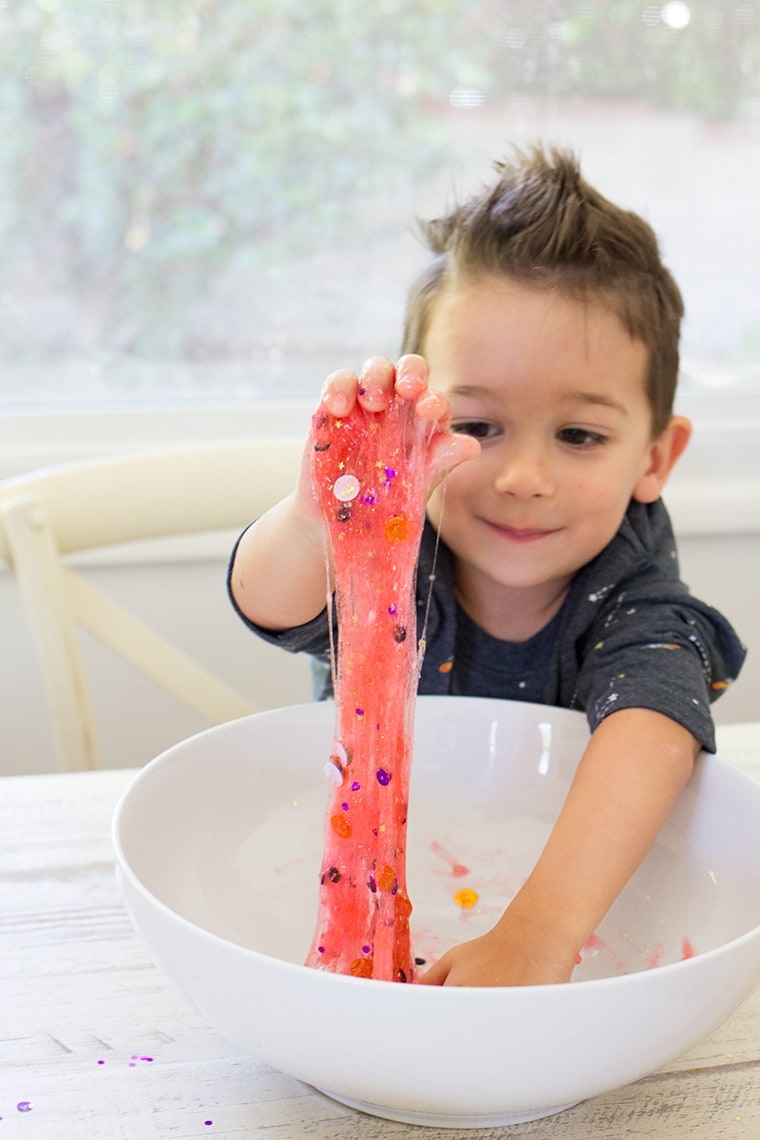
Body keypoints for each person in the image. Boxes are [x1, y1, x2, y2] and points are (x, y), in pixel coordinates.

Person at [228, 145, 746, 988]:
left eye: (578, 435)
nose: (521, 479)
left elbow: (653, 734)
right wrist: (317, 521)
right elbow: (269, 604)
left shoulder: (633, 600)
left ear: (656, 457)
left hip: (559, 905)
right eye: (478, 425)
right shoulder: (395, 549)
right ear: (421, 424)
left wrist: (538, 934)